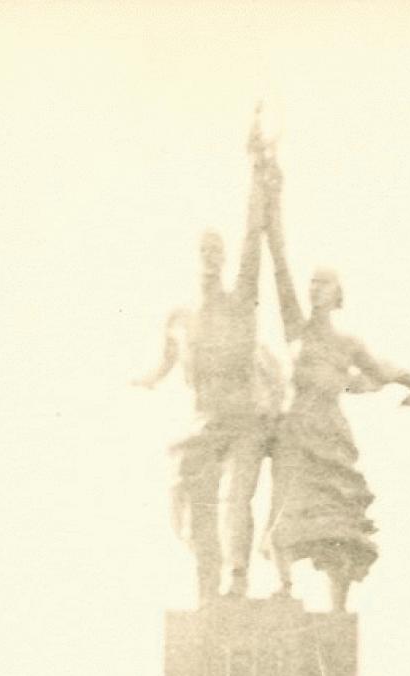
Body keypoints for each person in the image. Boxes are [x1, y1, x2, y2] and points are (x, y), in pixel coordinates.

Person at [257, 147, 410, 612]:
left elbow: (385, 369)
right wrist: (271, 205)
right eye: (312, 284)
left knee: (338, 519)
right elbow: (279, 268)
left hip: (331, 435)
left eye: (324, 284)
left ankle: (337, 605)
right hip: (298, 430)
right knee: (285, 512)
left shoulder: (347, 343)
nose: (314, 289)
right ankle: (285, 588)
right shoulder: (297, 328)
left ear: (338, 295)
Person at [135, 118, 281, 603]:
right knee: (195, 504)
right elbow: (162, 364)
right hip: (202, 422)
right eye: (205, 251)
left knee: (235, 499)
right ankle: (207, 585)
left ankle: (237, 578)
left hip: (242, 418)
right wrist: (144, 380)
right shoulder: (181, 317)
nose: (212, 258)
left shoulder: (240, 301)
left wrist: (257, 174)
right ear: (195, 258)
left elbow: (251, 242)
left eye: (218, 251)